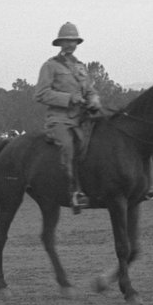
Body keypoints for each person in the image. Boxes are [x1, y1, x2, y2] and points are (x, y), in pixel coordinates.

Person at [33, 21, 100, 211]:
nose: (71, 44)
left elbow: (90, 90)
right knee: (69, 147)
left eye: (74, 41)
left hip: (82, 119)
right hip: (60, 120)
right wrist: (69, 98)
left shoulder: (80, 67)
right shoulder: (50, 66)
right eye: (67, 41)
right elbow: (41, 94)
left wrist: (94, 99)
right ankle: (74, 192)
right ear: (60, 42)